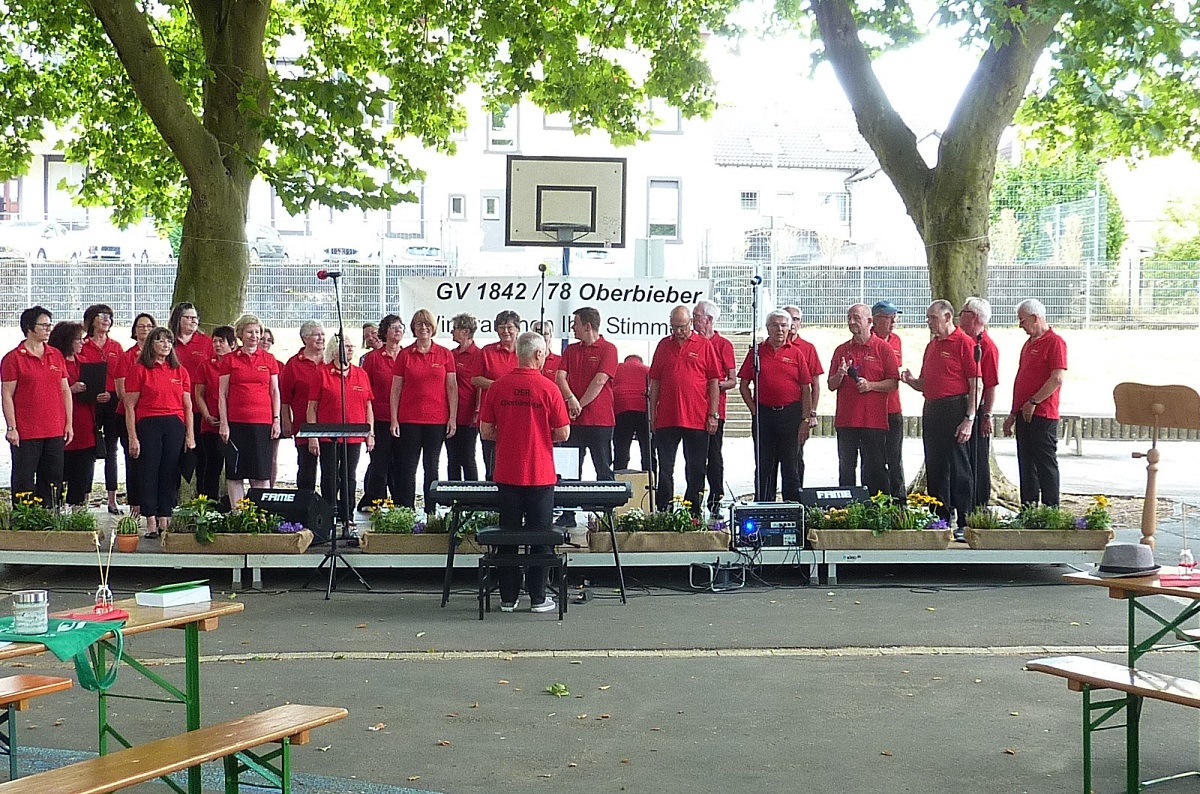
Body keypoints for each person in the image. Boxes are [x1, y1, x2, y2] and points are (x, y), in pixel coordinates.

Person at [479, 331, 570, 614]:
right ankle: (538, 598)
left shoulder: (498, 387)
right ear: (539, 354)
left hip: (506, 472)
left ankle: (508, 598)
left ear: (518, 353)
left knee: (508, 534)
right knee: (540, 538)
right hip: (540, 473)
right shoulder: (548, 388)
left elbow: (485, 430)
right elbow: (564, 432)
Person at [901, 300, 980, 539]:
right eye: (928, 317)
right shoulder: (931, 346)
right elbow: (925, 383)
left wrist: (969, 418)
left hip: (954, 407)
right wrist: (911, 380)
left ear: (948, 317)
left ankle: (965, 520)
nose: (929, 322)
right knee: (935, 466)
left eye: (933, 318)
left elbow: (976, 383)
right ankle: (939, 518)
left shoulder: (964, 343)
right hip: (932, 408)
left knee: (959, 466)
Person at [648, 305, 721, 515]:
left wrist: (713, 414)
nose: (678, 331)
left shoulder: (704, 345)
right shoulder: (663, 345)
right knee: (665, 467)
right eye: (674, 327)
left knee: (697, 468)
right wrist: (652, 413)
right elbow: (655, 381)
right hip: (667, 418)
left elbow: (714, 381)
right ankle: (664, 509)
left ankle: (694, 511)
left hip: (697, 417)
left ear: (691, 323)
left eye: (682, 326)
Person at [125, 327, 195, 538]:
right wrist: (132, 437)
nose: (165, 344)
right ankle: (151, 522)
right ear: (151, 344)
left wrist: (190, 435)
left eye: (168, 341)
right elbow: (129, 406)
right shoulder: (140, 370)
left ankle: (165, 517)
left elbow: (188, 406)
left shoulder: (179, 371)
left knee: (170, 471)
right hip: (148, 424)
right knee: (149, 471)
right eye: (160, 340)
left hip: (174, 424)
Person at [737, 310, 812, 502]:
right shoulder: (757, 352)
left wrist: (805, 419)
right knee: (764, 466)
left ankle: (792, 507)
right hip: (764, 416)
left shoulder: (797, 354)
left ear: (789, 328)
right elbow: (744, 385)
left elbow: (806, 388)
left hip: (790, 415)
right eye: (775, 325)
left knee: (791, 466)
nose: (780, 329)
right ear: (768, 328)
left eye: (784, 325)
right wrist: (755, 410)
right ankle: (763, 506)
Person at [2, 306, 72, 505]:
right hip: (27, 431)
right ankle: (24, 522)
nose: (49, 329)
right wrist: (12, 427)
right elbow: (7, 394)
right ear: (29, 328)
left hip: (54, 430)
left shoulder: (56, 355)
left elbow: (65, 390)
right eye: (44, 325)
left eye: (50, 325)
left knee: (53, 479)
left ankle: (49, 519)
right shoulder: (14, 358)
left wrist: (68, 423)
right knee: (24, 480)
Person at [827, 304, 899, 497]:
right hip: (846, 420)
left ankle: (877, 510)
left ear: (870, 321)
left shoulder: (883, 348)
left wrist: (871, 386)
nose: (851, 322)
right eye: (849, 317)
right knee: (846, 468)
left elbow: (893, 383)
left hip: (873, 421)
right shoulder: (841, 350)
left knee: (875, 469)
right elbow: (831, 385)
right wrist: (840, 374)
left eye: (856, 318)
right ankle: (846, 512)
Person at [390, 309, 457, 510]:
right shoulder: (404, 355)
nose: (423, 328)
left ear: (433, 328)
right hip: (409, 420)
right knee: (408, 467)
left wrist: (452, 417)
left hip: (436, 420)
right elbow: (396, 389)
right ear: (413, 328)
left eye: (427, 324)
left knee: (432, 467)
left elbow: (451, 387)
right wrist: (394, 419)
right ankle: (406, 510)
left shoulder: (445, 354)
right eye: (419, 324)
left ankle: (431, 511)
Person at [1003, 298, 1068, 506]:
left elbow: (1056, 378)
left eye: (1022, 320)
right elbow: (1022, 379)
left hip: (1043, 414)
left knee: (1045, 465)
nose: (1020, 325)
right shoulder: (1028, 344)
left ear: (1035, 317)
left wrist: (1034, 401)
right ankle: (1028, 509)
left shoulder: (1055, 342)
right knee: (1026, 465)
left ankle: (1051, 510)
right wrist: (1013, 413)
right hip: (1024, 413)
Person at [307, 334, 374, 527]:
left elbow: (368, 405)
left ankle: (347, 516)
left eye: (353, 346)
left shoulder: (361, 374)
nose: (351, 349)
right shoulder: (322, 373)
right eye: (347, 346)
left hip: (354, 436)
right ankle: (329, 515)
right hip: (328, 436)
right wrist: (313, 436)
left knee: (349, 476)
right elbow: (312, 407)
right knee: (329, 476)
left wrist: (370, 433)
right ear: (335, 350)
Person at [218, 314, 281, 505]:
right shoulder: (229, 360)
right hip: (236, 423)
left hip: (262, 422)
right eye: (249, 332)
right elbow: (223, 393)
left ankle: (261, 513)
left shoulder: (269, 359)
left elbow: (274, 390)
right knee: (236, 472)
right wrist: (224, 423)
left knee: (261, 472)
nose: (254, 336)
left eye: (257, 332)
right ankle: (238, 514)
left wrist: (276, 419)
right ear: (240, 334)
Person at [556, 307, 618, 481]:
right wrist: (570, 399)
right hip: (573, 419)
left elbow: (600, 380)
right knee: (569, 471)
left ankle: (606, 507)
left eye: (575, 324)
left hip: (600, 420)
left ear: (588, 326)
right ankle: (567, 508)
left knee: (603, 468)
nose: (573, 328)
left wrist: (578, 405)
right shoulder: (571, 350)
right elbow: (560, 376)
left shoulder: (609, 349)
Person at [77, 304, 124, 513]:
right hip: (89, 402)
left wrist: (111, 393)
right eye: (102, 316)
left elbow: (120, 376)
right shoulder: (83, 346)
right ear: (92, 320)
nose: (107, 320)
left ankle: (112, 498)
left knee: (112, 450)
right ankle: (84, 496)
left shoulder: (116, 347)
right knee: (88, 450)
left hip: (112, 401)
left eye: (109, 317)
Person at [692, 301, 737, 514]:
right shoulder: (691, 342)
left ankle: (716, 498)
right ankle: (693, 499)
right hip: (693, 410)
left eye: (697, 316)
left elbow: (732, 380)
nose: (693, 320)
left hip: (715, 409)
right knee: (694, 457)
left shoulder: (723, 344)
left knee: (714, 455)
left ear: (709, 320)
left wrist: (713, 384)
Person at [359, 314, 405, 508]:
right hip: (379, 418)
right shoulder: (372, 359)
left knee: (401, 464)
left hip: (405, 419)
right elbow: (364, 389)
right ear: (385, 332)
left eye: (400, 327)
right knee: (379, 463)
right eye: (393, 327)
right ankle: (375, 501)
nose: (398, 330)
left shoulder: (407, 355)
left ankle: (399, 503)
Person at [958, 297, 999, 509]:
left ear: (973, 317)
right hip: (963, 404)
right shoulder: (966, 342)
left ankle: (979, 504)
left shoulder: (986, 347)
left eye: (962, 312)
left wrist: (986, 415)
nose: (959, 316)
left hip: (978, 407)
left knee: (978, 457)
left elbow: (990, 384)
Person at [114, 313, 157, 517]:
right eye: (140, 326)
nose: (145, 330)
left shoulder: (163, 357)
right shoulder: (127, 357)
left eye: (149, 326)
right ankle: (135, 505)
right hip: (131, 415)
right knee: (134, 461)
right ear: (134, 330)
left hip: (154, 418)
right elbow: (122, 391)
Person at [49, 322, 96, 506]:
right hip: (61, 424)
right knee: (57, 474)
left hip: (85, 426)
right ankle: (56, 509)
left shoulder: (84, 362)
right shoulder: (55, 361)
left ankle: (78, 510)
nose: (82, 343)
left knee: (82, 474)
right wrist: (70, 389)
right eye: (78, 339)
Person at [168, 302, 213, 491]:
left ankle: (203, 501)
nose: (194, 321)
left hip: (200, 409)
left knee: (203, 457)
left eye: (196, 318)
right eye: (189, 317)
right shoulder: (168, 342)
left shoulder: (206, 343)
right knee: (173, 457)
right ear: (179, 318)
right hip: (174, 409)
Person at [472, 310, 520, 479]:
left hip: (518, 416)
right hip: (491, 416)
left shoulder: (525, 352)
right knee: (491, 465)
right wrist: (499, 386)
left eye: (509, 327)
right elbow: (475, 379)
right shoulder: (487, 351)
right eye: (501, 327)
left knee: (517, 464)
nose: (505, 331)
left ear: (518, 329)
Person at [279, 321, 326, 493]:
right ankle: (305, 504)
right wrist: (286, 422)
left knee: (331, 470)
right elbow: (284, 398)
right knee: (306, 467)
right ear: (305, 338)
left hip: (330, 423)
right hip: (303, 424)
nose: (321, 338)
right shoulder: (293, 364)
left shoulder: (331, 361)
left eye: (322, 334)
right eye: (316, 334)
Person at [782, 305, 823, 487]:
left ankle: (796, 497)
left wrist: (812, 413)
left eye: (796, 319)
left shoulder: (807, 348)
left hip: (799, 411)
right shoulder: (768, 346)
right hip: (775, 412)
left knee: (795, 455)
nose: (793, 323)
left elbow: (815, 384)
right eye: (789, 319)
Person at [193, 325, 235, 501]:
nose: (217, 345)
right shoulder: (206, 365)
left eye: (221, 341)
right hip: (210, 425)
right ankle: (207, 503)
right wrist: (206, 415)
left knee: (234, 466)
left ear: (232, 344)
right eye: (215, 341)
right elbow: (198, 394)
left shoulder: (236, 364)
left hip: (234, 422)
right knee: (210, 465)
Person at [870, 300, 905, 499]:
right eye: (888, 318)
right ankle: (876, 498)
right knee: (874, 459)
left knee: (895, 457)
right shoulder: (867, 339)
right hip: (873, 411)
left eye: (895, 318)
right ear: (875, 320)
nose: (893, 322)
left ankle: (899, 500)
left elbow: (892, 373)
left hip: (893, 407)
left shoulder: (896, 340)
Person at [446, 312, 483, 480]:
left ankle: (472, 497)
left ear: (466, 331)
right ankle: (454, 498)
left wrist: (477, 409)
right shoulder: (451, 354)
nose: (452, 332)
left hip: (468, 413)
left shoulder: (479, 355)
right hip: (450, 413)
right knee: (452, 458)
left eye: (455, 329)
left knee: (467, 457)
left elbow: (479, 385)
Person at [612, 354, 650, 471]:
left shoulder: (616, 368)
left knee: (621, 450)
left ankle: (618, 480)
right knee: (647, 451)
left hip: (622, 410)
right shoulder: (647, 369)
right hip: (643, 410)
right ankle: (650, 481)